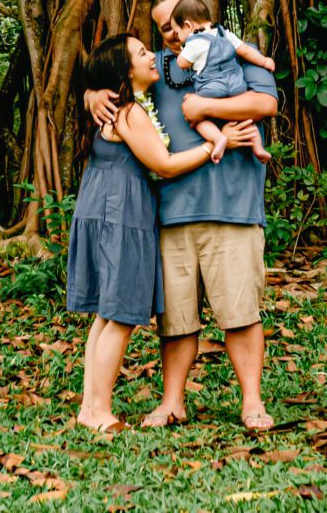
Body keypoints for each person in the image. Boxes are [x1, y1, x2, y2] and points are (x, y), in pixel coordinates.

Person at [89, 0, 281, 432]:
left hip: (231, 205)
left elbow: (266, 103)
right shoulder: (158, 68)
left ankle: (251, 401)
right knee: (176, 319)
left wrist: (206, 107)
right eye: (164, 27)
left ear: (195, 12)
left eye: (179, 19)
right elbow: (117, 80)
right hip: (170, 212)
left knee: (240, 311)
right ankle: (172, 401)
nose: (175, 32)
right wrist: (91, 94)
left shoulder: (233, 50)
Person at [63, 32, 253, 433]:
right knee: (119, 316)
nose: (151, 54)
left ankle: (90, 405)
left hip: (106, 209)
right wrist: (217, 144)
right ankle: (99, 411)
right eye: (141, 53)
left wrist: (90, 94)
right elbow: (163, 164)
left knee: (106, 316)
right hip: (121, 215)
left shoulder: (119, 107)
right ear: (124, 70)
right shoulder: (130, 112)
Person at [165, 0, 275, 164]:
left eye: (178, 32)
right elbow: (245, 50)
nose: (177, 37)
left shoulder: (195, 41)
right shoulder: (225, 34)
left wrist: (183, 51)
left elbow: (182, 63)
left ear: (188, 25)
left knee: (197, 119)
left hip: (212, 88)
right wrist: (264, 60)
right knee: (244, 118)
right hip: (237, 85)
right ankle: (259, 147)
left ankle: (218, 139)